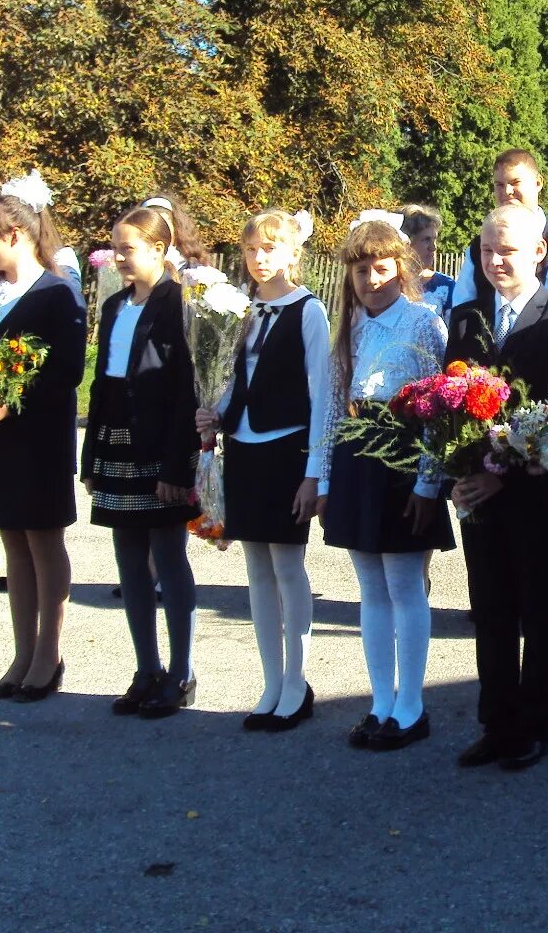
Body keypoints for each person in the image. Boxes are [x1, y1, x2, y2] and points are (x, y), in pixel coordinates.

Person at [446, 203, 548, 772]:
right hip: (480, 496)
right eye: (486, 250)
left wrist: (500, 470)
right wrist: (460, 473)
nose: (496, 260)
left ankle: (534, 725)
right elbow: (450, 403)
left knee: (537, 611)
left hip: (532, 491)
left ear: (537, 253)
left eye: (507, 250)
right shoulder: (465, 317)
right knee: (492, 610)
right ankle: (496, 722)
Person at [194, 209, 331, 731]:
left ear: (294, 254)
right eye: (252, 248)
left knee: (288, 568)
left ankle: (297, 682)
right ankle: (270, 681)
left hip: (288, 451)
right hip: (245, 451)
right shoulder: (239, 309)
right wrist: (215, 412)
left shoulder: (308, 311)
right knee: (255, 569)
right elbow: (232, 379)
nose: (260, 257)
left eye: (271, 248)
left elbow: (323, 396)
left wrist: (315, 473)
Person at [320, 215, 453, 751]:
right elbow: (333, 405)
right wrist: (325, 477)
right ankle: (379, 701)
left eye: (381, 268)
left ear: (402, 268)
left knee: (403, 585)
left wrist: (428, 483)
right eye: (361, 271)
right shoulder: (347, 329)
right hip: (357, 458)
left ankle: (411, 705)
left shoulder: (423, 322)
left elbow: (440, 411)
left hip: (401, 458)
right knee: (370, 589)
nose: (371, 279)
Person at [0, 192, 87, 702]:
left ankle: (48, 655)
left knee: (42, 540)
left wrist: (12, 403)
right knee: (11, 537)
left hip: (38, 437)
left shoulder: (59, 294)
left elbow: (67, 372)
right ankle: (21, 651)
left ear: (14, 235)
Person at [83, 204, 201, 720]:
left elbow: (185, 389)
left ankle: (181, 672)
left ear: (159, 248)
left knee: (167, 556)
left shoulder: (180, 304)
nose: (120, 258)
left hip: (160, 445)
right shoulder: (114, 306)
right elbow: (105, 386)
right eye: (115, 249)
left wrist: (178, 465)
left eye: (129, 249)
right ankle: (145, 669)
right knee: (128, 558)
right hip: (115, 440)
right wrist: (90, 456)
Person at [451, 149, 548, 312]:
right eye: (499, 185)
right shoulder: (477, 247)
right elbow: (461, 305)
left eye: (515, 183)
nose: (507, 191)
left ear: (538, 183)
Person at [398, 204, 456, 323]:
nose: (433, 247)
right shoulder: (388, 285)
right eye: (426, 240)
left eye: (435, 240)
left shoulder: (446, 286)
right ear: (406, 243)